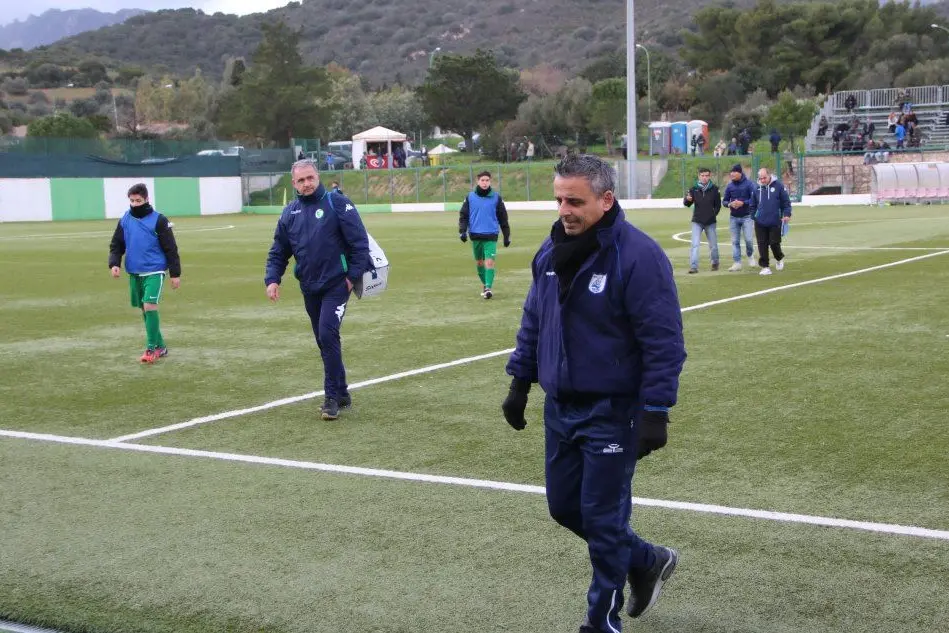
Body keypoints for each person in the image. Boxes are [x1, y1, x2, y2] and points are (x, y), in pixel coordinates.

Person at [502, 154, 686, 633]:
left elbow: (663, 341)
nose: (565, 209)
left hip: (614, 410)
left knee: (603, 520)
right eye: (560, 198)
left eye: (575, 201)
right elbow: (534, 321)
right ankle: (646, 560)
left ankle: (600, 623)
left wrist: (656, 411)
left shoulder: (638, 256)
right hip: (560, 408)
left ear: (606, 200)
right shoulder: (549, 252)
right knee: (564, 508)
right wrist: (520, 382)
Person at [264, 159, 371, 421]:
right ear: (294, 184)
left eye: (310, 178)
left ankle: (331, 398)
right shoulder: (290, 213)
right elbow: (279, 250)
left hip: (337, 283)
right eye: (301, 180)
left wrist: (351, 278)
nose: (307, 183)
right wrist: (272, 279)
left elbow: (360, 243)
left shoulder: (337, 203)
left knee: (327, 333)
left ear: (317, 176)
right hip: (309, 286)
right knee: (324, 341)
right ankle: (343, 391)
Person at [108, 183, 181, 364]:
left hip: (155, 270)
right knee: (144, 308)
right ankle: (161, 345)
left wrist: (175, 273)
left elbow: (171, 248)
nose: (135, 204)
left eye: (138, 200)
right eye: (132, 201)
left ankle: (151, 348)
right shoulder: (125, 219)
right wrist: (114, 263)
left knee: (149, 305)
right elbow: (117, 244)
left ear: (147, 199)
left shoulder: (159, 220)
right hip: (134, 271)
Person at [458, 171, 511, 299]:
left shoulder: (496, 198)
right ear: (478, 181)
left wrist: (506, 235)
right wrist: (462, 231)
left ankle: (488, 287)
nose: (485, 182)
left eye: (487, 180)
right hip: (475, 235)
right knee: (480, 263)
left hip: (491, 235)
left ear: (490, 182)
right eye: (482, 180)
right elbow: (463, 216)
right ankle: (485, 284)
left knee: (489, 262)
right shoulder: (470, 197)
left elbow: (503, 218)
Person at [749, 167, 791, 276]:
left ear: (769, 175)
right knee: (762, 244)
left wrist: (786, 214)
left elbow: (786, 203)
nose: (762, 180)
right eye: (760, 178)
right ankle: (765, 267)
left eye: (764, 178)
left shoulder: (779, 186)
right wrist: (754, 216)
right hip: (760, 222)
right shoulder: (756, 188)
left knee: (774, 243)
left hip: (775, 220)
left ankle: (779, 257)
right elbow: (752, 205)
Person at [684, 167, 721, 273]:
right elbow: (687, 204)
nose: (704, 178)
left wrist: (713, 215)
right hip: (697, 221)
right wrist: (687, 200)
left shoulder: (715, 189)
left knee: (713, 245)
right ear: (699, 176)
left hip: (710, 222)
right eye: (702, 175)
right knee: (695, 244)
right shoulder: (693, 189)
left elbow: (718, 206)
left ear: (709, 176)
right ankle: (694, 266)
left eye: (706, 175)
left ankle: (715, 262)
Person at [721, 163, 756, 271]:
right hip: (734, 217)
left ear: (739, 173)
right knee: (735, 241)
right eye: (731, 172)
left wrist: (743, 203)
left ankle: (750, 255)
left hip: (747, 217)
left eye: (734, 172)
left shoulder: (750, 184)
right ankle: (737, 262)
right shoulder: (730, 186)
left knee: (749, 240)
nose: (731, 174)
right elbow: (724, 201)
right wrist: (729, 204)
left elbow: (755, 199)